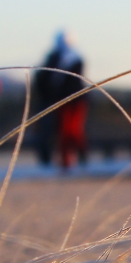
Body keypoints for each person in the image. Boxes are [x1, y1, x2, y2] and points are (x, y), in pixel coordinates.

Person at [51, 32, 88, 169]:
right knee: (65, 131)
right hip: (64, 100)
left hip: (74, 100)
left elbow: (73, 81)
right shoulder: (56, 58)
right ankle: (66, 161)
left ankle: (80, 159)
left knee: (73, 130)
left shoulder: (75, 58)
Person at [33, 37, 66, 166]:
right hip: (48, 104)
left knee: (48, 134)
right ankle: (46, 160)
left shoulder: (45, 71)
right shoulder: (51, 72)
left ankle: (47, 160)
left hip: (47, 104)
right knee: (47, 134)